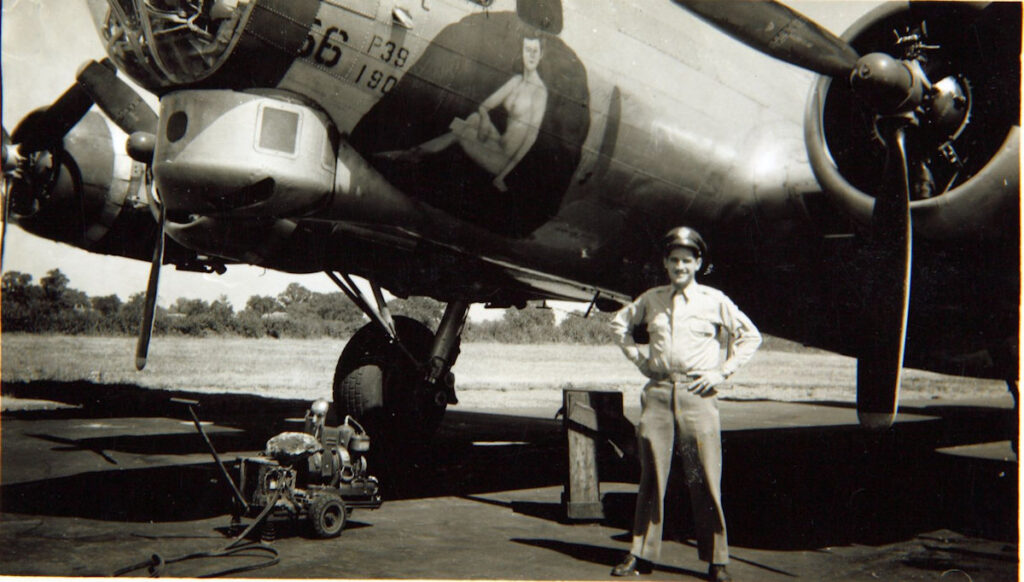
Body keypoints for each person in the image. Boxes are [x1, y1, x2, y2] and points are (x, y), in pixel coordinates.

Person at [609, 227, 761, 582]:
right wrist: (640, 361)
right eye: (674, 260)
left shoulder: (714, 300)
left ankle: (717, 560)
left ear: (698, 263)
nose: (680, 266)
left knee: (703, 476)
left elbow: (751, 336)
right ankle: (640, 552)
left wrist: (723, 372)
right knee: (651, 477)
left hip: (698, 395)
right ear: (665, 263)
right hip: (659, 393)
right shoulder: (652, 299)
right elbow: (619, 325)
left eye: (686, 261)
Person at [377, 34, 549, 192]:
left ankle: (412, 154)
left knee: (460, 134)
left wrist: (503, 175)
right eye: (528, 50)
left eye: (535, 51)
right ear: (522, 51)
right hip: (496, 144)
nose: (531, 55)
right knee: (473, 118)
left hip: (502, 160)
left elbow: (530, 140)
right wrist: (484, 119)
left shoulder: (540, 92)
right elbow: (484, 106)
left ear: (541, 55)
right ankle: (416, 154)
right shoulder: (517, 81)